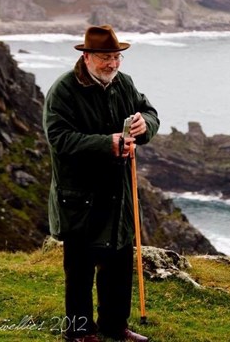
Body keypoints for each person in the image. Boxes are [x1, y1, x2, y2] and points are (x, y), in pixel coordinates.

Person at [43, 25, 160, 342]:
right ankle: (80, 332)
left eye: (116, 57)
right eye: (106, 57)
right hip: (78, 196)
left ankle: (114, 326)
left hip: (117, 192)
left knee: (118, 262)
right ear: (88, 56)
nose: (113, 64)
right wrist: (106, 144)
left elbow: (149, 112)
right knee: (80, 268)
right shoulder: (64, 91)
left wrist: (142, 124)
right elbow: (59, 139)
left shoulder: (123, 84)